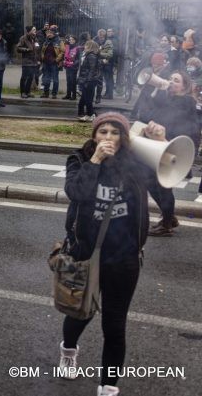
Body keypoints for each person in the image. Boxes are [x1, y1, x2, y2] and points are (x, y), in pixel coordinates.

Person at [60, 113, 166, 396]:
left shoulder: (136, 164)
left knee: (115, 324)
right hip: (87, 254)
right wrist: (95, 161)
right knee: (81, 314)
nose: (108, 138)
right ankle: (68, 350)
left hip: (125, 257)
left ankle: (108, 387)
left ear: (124, 137)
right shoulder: (80, 159)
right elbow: (76, 192)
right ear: (94, 136)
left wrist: (162, 143)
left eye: (115, 132)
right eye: (102, 132)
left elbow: (171, 182)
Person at [136, 70, 200, 236]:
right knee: (149, 182)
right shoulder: (163, 98)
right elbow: (143, 114)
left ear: (184, 87)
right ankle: (169, 217)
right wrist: (155, 89)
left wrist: (189, 154)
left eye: (176, 81)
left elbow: (193, 129)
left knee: (163, 187)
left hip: (170, 148)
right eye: (170, 78)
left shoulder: (187, 102)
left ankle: (166, 224)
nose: (171, 82)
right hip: (154, 147)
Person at [17, 26, 40, 99]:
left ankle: (28, 92)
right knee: (24, 77)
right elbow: (18, 48)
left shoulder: (35, 38)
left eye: (35, 29)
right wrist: (27, 49)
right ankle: (23, 92)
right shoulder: (23, 38)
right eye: (33, 29)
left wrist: (38, 60)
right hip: (26, 62)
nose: (35, 31)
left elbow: (37, 50)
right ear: (29, 31)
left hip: (34, 62)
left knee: (30, 77)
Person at [63, 35, 83, 100]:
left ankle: (74, 95)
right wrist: (65, 61)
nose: (71, 41)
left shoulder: (77, 48)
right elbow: (65, 55)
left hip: (73, 67)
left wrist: (74, 64)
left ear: (75, 40)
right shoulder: (67, 47)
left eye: (72, 39)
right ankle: (68, 95)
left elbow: (78, 59)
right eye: (70, 39)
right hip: (67, 66)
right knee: (68, 81)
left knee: (73, 82)